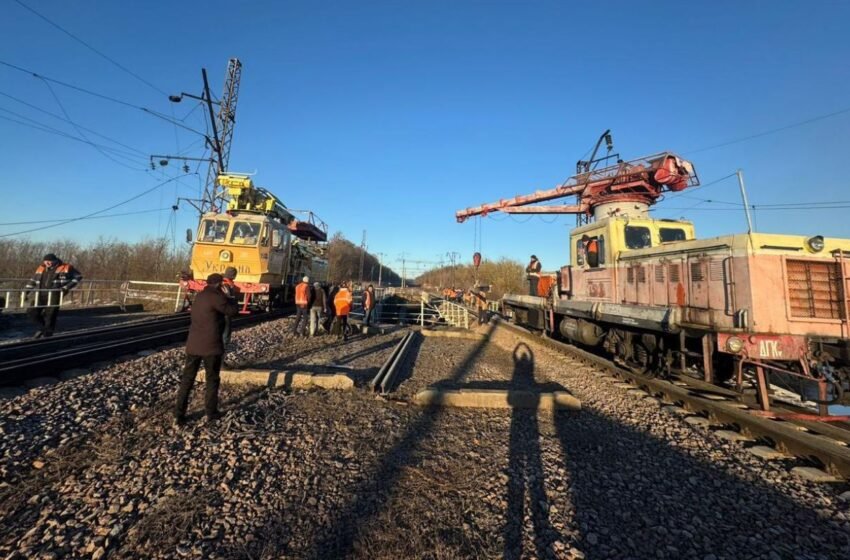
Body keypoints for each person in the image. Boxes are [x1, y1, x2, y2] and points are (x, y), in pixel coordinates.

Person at [175, 273, 239, 425]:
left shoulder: (200, 296)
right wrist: (231, 294)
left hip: (193, 345)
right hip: (211, 347)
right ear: (219, 284)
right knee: (212, 380)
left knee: (187, 380)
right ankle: (211, 412)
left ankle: (179, 415)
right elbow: (232, 311)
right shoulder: (217, 296)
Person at [24, 253, 83, 338]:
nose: (47, 263)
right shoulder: (41, 268)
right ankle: (42, 328)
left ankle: (47, 334)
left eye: (50, 261)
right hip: (40, 293)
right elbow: (33, 280)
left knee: (50, 314)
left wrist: (66, 287)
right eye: (46, 261)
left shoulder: (65, 267)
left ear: (55, 261)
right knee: (32, 312)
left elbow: (78, 276)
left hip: (55, 293)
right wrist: (26, 292)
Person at [221, 267, 240, 350]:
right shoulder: (227, 285)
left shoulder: (222, 283)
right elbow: (228, 298)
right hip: (225, 313)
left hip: (222, 312)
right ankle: (220, 360)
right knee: (225, 335)